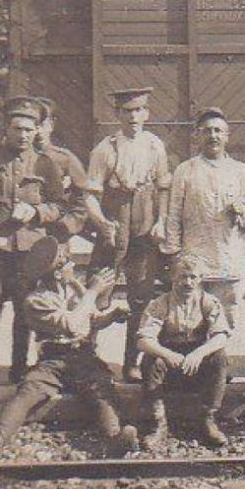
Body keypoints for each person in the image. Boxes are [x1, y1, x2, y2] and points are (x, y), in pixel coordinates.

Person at [0, 236, 135, 460]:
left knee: (102, 389)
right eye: (68, 262)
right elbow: (70, 324)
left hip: (83, 355)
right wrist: (92, 292)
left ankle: (114, 439)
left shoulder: (71, 290)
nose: (73, 265)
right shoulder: (36, 301)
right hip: (53, 360)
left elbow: (90, 318)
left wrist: (110, 316)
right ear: (58, 273)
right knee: (29, 390)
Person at [0, 96, 77, 387]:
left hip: (28, 251)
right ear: (5, 130)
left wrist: (36, 212)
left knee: (25, 311)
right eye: (17, 128)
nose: (22, 135)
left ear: (37, 131)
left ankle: (19, 369)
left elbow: (60, 205)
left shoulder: (45, 163)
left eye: (28, 129)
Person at [85, 86, 173, 382]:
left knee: (142, 297)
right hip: (114, 224)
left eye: (138, 110)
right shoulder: (105, 149)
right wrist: (102, 223)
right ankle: (88, 359)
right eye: (127, 111)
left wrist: (161, 222)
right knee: (99, 291)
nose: (133, 116)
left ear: (146, 113)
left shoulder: (154, 146)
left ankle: (131, 362)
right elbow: (90, 196)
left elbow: (163, 188)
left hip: (144, 225)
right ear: (117, 115)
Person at [162, 108, 245, 324]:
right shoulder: (185, 170)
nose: (213, 136)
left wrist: (242, 209)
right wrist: (174, 253)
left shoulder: (239, 170)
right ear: (197, 135)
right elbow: (174, 215)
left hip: (229, 259)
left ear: (227, 136)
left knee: (228, 318)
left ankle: (221, 357)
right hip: (195, 261)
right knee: (193, 317)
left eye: (218, 131)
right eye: (207, 131)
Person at [134, 254, 232, 449]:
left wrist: (199, 353)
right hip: (171, 363)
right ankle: (158, 424)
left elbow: (221, 335)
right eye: (182, 277)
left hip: (196, 363)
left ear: (200, 279)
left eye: (193, 277)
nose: (188, 283)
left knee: (219, 357)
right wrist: (167, 354)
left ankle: (208, 420)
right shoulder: (160, 304)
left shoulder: (208, 302)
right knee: (150, 360)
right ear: (173, 277)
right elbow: (143, 340)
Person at [31, 96, 90, 245]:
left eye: (42, 124)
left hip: (54, 236)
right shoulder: (15, 160)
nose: (38, 131)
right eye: (33, 125)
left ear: (51, 125)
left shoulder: (65, 159)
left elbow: (83, 198)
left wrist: (67, 225)